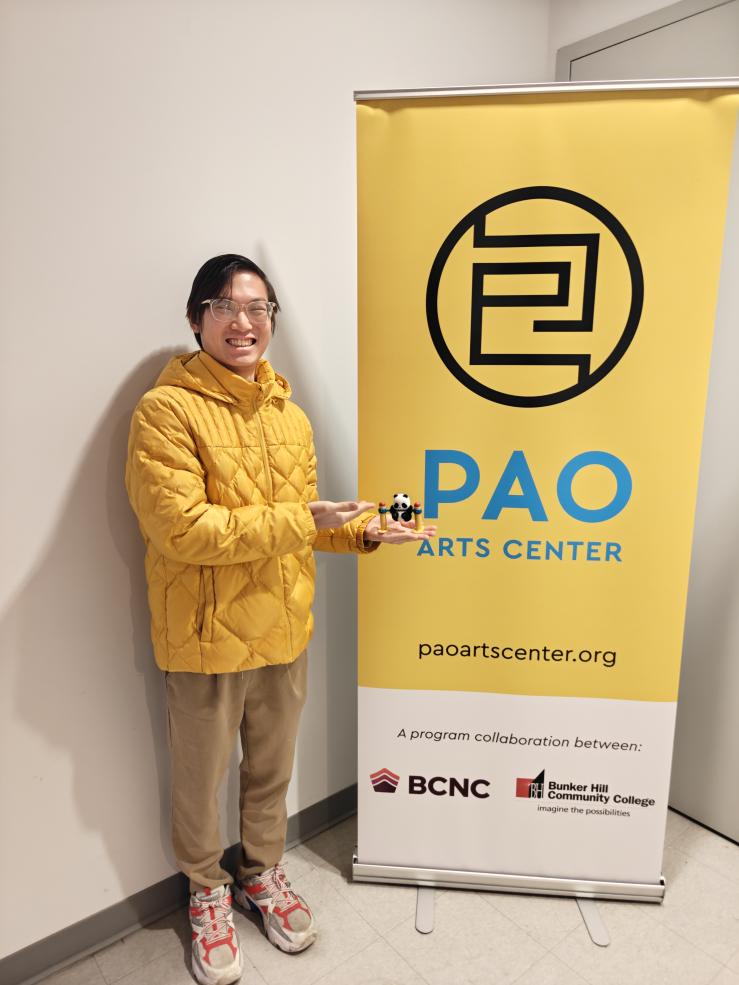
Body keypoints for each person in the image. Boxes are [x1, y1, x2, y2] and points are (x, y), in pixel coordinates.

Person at [125, 254, 434, 985]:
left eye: (259, 307)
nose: (244, 322)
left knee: (270, 774)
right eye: (226, 306)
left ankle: (261, 874)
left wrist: (362, 531)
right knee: (199, 781)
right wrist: (302, 517)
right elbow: (183, 530)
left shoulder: (288, 415)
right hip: (204, 636)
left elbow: (302, 522)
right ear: (196, 317)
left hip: (283, 629)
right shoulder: (164, 411)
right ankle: (207, 892)